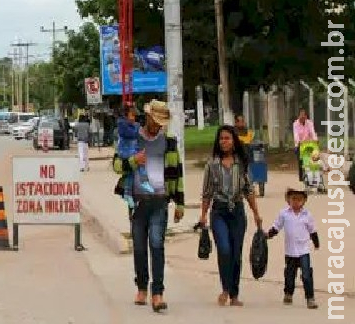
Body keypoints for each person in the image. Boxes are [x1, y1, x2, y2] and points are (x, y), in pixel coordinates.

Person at [113, 100, 185, 313]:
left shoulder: (169, 142)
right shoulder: (131, 139)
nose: (158, 126)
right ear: (147, 118)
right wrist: (133, 161)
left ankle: (158, 293)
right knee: (139, 247)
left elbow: (176, 173)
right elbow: (117, 165)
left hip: (160, 200)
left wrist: (180, 202)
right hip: (136, 201)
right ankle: (142, 287)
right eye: (155, 121)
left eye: (161, 123)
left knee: (156, 245)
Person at [199, 125, 263, 307]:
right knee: (224, 249)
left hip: (237, 212)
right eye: (221, 139)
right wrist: (203, 215)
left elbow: (249, 190)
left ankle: (234, 294)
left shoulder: (241, 163)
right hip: (219, 212)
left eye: (227, 138)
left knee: (236, 253)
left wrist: (256, 213)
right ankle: (225, 288)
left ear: (234, 141)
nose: (224, 142)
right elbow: (207, 193)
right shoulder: (212, 164)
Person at [266, 188, 319, 309]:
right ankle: (288, 293)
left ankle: (310, 298)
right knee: (289, 275)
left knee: (306, 274)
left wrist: (316, 243)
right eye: (293, 199)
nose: (296, 202)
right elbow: (276, 227)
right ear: (288, 200)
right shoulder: (284, 214)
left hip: (303, 250)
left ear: (304, 201)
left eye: (299, 199)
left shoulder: (307, 215)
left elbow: (313, 230)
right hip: (290, 251)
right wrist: (268, 235)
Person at [116, 105, 154, 208]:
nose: (134, 118)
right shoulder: (124, 125)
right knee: (135, 167)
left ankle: (128, 194)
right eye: (132, 115)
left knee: (131, 174)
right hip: (128, 152)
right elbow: (118, 166)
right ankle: (143, 182)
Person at [292, 109, 317, 182]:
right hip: (300, 144)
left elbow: (312, 132)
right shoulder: (295, 124)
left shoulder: (309, 123)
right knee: (301, 160)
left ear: (306, 116)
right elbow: (295, 135)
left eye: (304, 115)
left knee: (313, 158)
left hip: (309, 144)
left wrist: (315, 139)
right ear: (299, 116)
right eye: (301, 115)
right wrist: (299, 141)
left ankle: (313, 175)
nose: (302, 117)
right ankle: (301, 177)